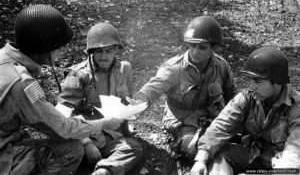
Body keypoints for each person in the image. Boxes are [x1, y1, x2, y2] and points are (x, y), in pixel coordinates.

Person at [0, 4, 124, 175]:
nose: (61, 50)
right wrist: (103, 124)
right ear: (45, 49)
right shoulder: (22, 84)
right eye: (59, 47)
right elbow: (61, 128)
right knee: (71, 150)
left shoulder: (3, 58)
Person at [130, 16, 237, 160]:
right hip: (183, 121)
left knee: (233, 145)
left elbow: (233, 96)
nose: (195, 51)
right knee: (196, 149)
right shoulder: (175, 68)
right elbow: (151, 89)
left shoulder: (221, 66)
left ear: (213, 48)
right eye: (192, 46)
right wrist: (136, 104)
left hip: (212, 118)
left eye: (202, 47)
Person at [191, 47, 300, 175]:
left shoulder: (296, 106)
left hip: (285, 165)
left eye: (257, 81)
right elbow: (221, 127)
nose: (251, 86)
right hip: (256, 156)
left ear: (276, 82)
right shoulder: (247, 98)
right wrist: (201, 159)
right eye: (250, 80)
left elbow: (295, 149)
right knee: (219, 154)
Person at [58, 22, 143, 175]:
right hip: (83, 136)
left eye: (109, 51)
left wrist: (126, 131)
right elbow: (64, 115)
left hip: (109, 134)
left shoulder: (124, 69)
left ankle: (103, 171)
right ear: (91, 52)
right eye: (99, 52)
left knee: (134, 148)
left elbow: (125, 104)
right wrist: (86, 144)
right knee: (69, 154)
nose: (104, 56)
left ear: (117, 49)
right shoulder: (78, 74)